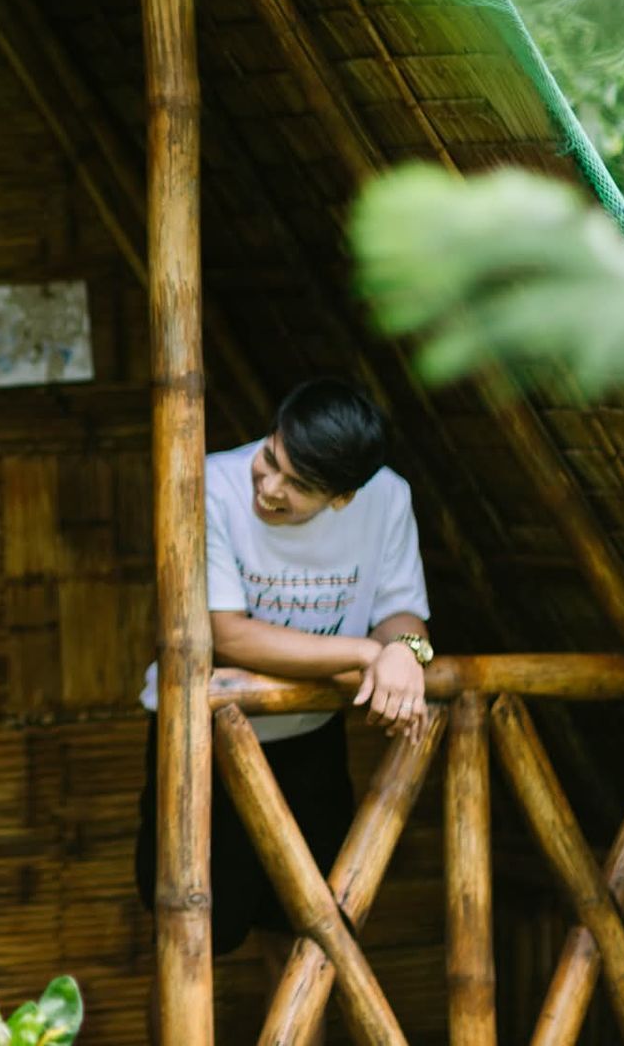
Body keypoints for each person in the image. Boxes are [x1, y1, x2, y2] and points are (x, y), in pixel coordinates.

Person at [133, 378, 433, 1043]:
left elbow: (403, 615)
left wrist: (406, 652)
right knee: (187, 942)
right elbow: (228, 635)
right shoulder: (211, 483)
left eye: (296, 486)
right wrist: (370, 653)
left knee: (305, 939)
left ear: (343, 498)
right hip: (199, 743)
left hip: (310, 743)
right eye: (270, 458)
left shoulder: (387, 499)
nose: (268, 487)